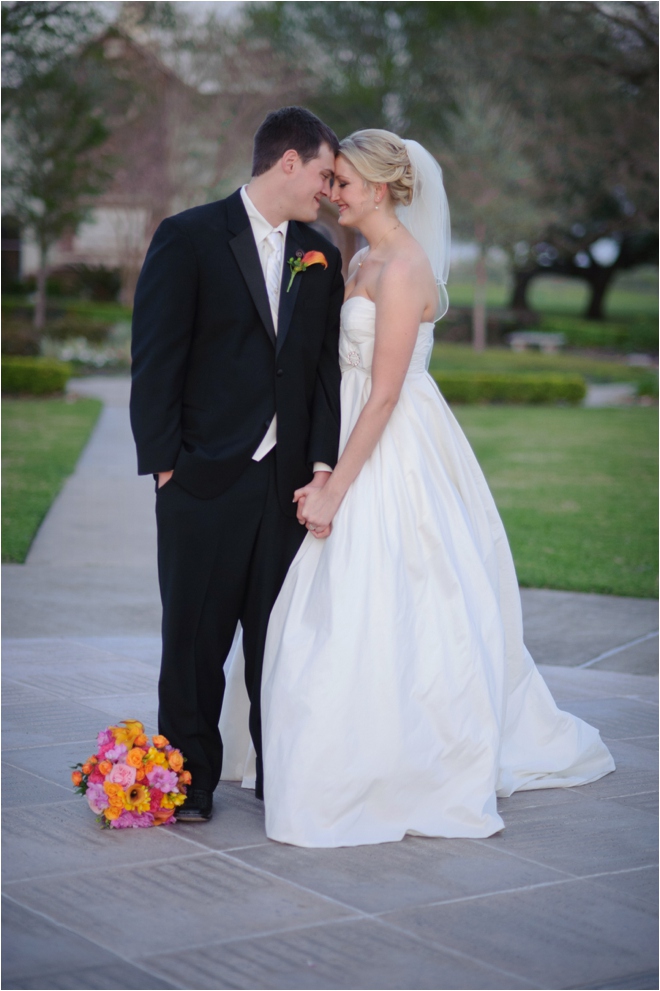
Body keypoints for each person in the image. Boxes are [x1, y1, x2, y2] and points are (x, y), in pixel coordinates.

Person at [257, 129, 615, 847]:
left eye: (346, 183)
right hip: (351, 427)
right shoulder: (359, 257)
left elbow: (384, 395)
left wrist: (334, 489)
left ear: (381, 189)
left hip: (392, 442)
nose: (333, 192)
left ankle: (401, 753)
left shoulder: (401, 269)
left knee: (399, 588)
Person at [129, 107, 344, 822]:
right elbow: (157, 359)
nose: (327, 189)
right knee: (193, 639)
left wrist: (319, 466)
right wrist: (167, 469)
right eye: (322, 173)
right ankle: (188, 784)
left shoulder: (321, 256)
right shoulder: (188, 237)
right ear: (288, 162)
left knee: (276, 643)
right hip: (201, 479)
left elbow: (319, 375)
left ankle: (281, 773)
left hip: (285, 487)